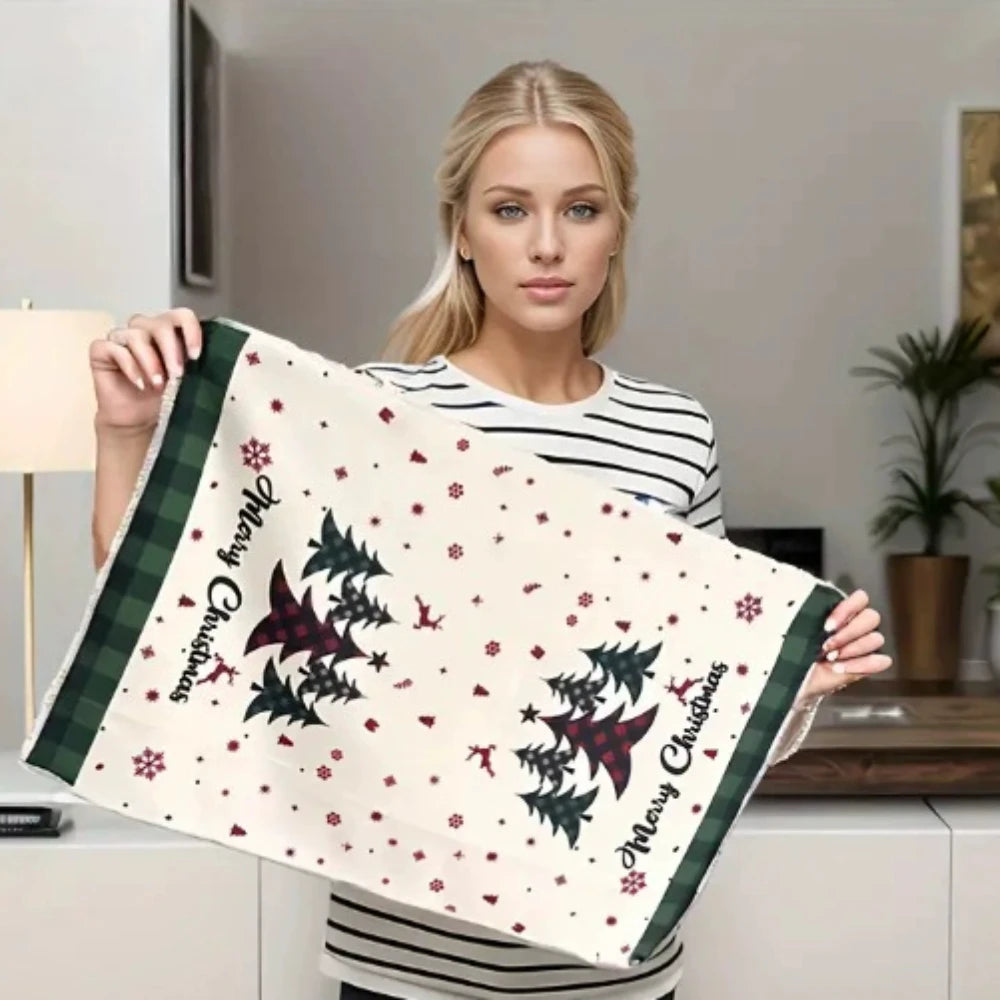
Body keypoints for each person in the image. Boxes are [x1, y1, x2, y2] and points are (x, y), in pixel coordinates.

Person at [90, 59, 890, 1000]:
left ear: (617, 230)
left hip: (619, 978)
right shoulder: (381, 412)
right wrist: (125, 433)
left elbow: (699, 716)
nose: (547, 244)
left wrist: (800, 686)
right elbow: (167, 606)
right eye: (511, 210)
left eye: (581, 210)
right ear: (461, 232)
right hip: (405, 974)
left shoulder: (678, 433)